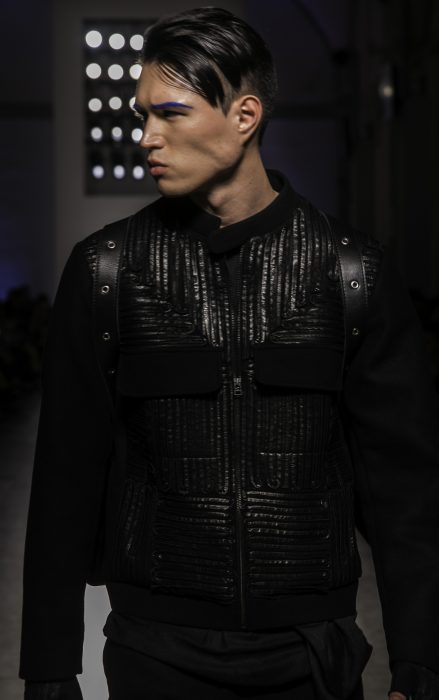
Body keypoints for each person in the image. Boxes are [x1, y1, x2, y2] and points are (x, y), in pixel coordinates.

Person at [19, 7, 439, 700]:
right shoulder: (105, 271)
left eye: (171, 112)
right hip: (155, 651)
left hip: (310, 654)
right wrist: (48, 669)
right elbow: (66, 478)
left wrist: (420, 664)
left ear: (244, 116)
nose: (146, 136)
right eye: (143, 114)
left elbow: (404, 491)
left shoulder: (352, 273)